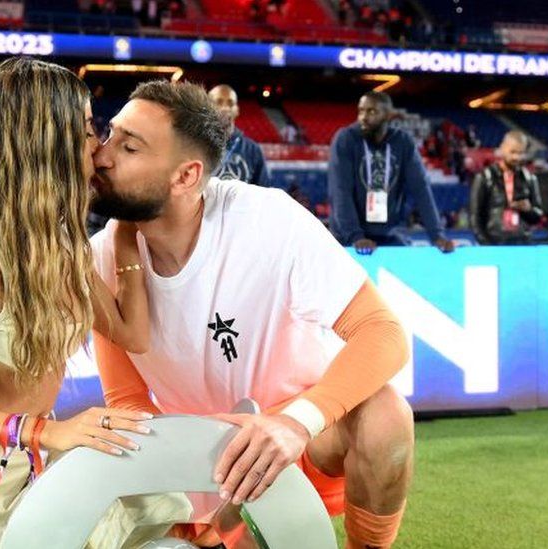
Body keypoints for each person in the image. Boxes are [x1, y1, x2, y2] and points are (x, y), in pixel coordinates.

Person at [89, 80, 413, 549]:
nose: (103, 154)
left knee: (386, 413)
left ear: (186, 176)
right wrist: (198, 476)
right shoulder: (103, 258)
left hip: (295, 445)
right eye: (109, 134)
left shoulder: (267, 221)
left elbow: (383, 332)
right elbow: (128, 403)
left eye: (129, 146)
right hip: (197, 463)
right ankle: (212, 530)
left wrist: (297, 422)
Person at [0, 58, 154, 548]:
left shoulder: (63, 245)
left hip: (32, 471)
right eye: (85, 131)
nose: (98, 149)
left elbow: (132, 334)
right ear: (45, 146)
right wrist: (49, 433)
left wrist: (124, 239)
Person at [328, 91, 454, 254]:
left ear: (387, 116)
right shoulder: (346, 139)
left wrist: (437, 235)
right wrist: (355, 236)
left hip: (390, 234)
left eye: (371, 111)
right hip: (349, 238)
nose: (363, 117)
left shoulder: (403, 142)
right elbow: (340, 191)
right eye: (361, 111)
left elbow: (421, 188)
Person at [469, 130, 543, 245]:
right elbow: (475, 218)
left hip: (522, 244)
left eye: (520, 153)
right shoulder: (485, 177)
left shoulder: (529, 178)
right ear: (502, 148)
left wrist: (528, 210)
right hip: (494, 243)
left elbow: (538, 216)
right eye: (512, 152)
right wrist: (487, 246)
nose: (516, 157)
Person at [207, 84, 270, 187]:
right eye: (218, 102)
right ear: (207, 108)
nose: (225, 108)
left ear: (237, 110)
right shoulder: (196, 146)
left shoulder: (253, 150)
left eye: (230, 103)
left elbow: (263, 193)